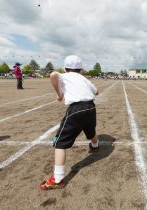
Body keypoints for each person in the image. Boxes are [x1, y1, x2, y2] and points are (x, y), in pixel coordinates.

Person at [39, 55, 99, 191]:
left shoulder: (64, 75)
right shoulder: (84, 78)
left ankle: (58, 179)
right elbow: (97, 91)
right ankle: (95, 145)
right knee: (90, 130)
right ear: (81, 69)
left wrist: (59, 95)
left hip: (76, 109)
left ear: (65, 68)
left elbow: (53, 74)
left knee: (60, 143)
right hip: (91, 107)